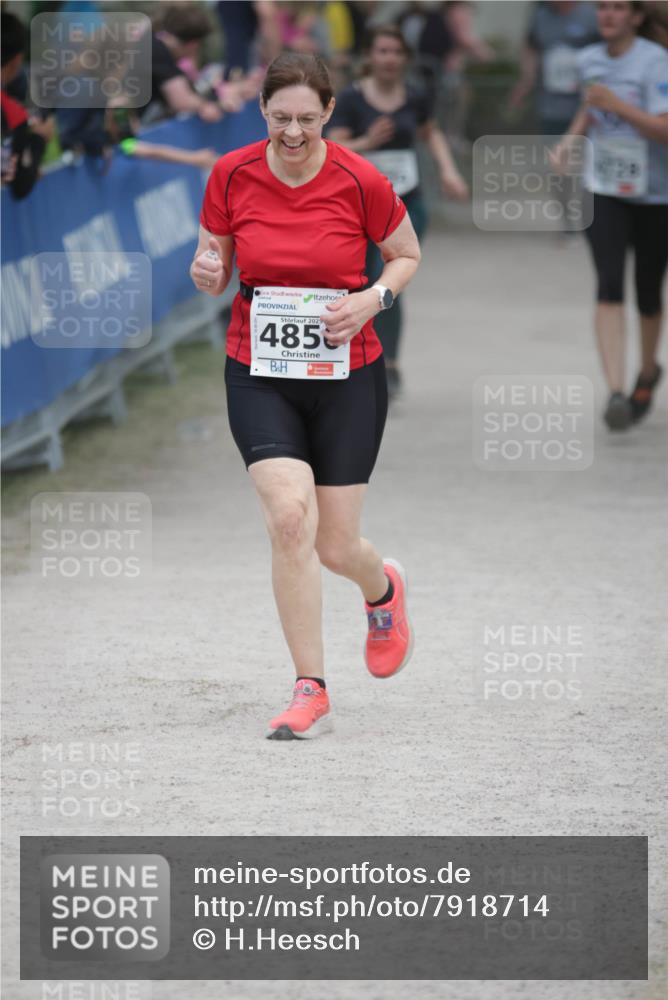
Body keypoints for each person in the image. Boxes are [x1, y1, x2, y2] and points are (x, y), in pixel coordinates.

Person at [190, 52, 421, 740]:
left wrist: (372, 299)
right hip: (257, 368)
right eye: (279, 118)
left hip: (347, 373)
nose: (292, 132)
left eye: (307, 119)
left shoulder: (360, 178)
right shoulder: (232, 173)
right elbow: (216, 259)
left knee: (336, 544)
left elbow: (405, 254)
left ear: (328, 114)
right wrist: (207, 268)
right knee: (291, 520)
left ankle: (382, 589)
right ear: (262, 111)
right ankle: (309, 687)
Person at [327, 24, 467, 399]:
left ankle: (388, 364)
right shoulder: (352, 99)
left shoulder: (416, 96)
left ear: (405, 58)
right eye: (382, 51)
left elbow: (430, 132)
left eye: (396, 52)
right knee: (364, 281)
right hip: (359, 209)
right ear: (370, 57)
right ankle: (359, 360)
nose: (389, 59)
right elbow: (334, 149)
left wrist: (449, 171)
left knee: (391, 283)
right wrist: (366, 142)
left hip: (407, 205)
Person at [552, 0, 668, 429]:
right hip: (603, 189)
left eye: (618, 8)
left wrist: (617, 105)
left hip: (657, 195)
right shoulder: (589, 59)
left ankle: (649, 370)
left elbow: (664, 128)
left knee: (649, 291)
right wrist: (569, 141)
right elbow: (590, 108)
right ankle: (617, 391)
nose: (608, 15)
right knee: (609, 284)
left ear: (636, 17)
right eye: (602, 7)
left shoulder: (657, 63)